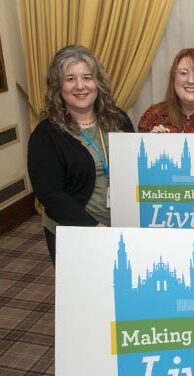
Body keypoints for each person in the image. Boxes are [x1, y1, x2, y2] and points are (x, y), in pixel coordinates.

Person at [27, 44, 135, 264]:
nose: (80, 86)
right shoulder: (46, 134)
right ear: (58, 86)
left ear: (98, 82)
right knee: (85, 295)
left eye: (87, 77)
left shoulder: (118, 119)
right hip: (75, 231)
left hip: (121, 226)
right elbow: (50, 194)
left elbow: (135, 166)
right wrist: (94, 229)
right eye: (70, 79)